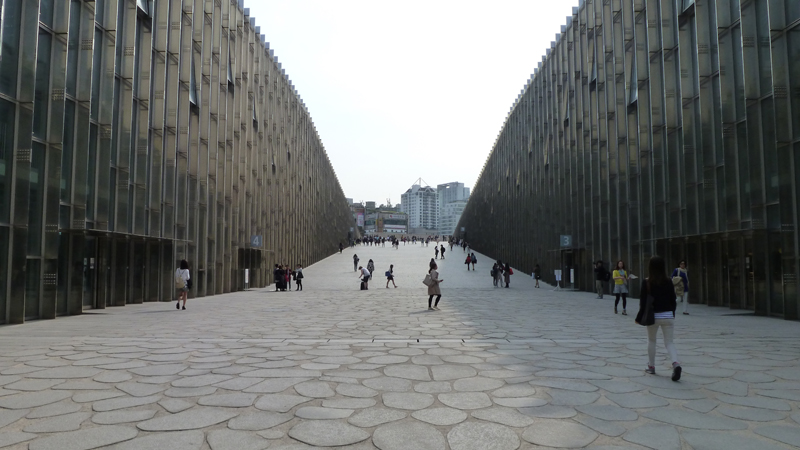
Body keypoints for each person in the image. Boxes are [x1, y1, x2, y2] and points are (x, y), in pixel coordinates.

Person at [636, 255, 682, 381]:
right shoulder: (669, 281)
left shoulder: (647, 282)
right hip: (668, 316)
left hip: (653, 316)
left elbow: (643, 303)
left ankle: (651, 366)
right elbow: (673, 299)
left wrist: (639, 317)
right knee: (669, 342)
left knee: (652, 340)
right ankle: (676, 363)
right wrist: (672, 313)